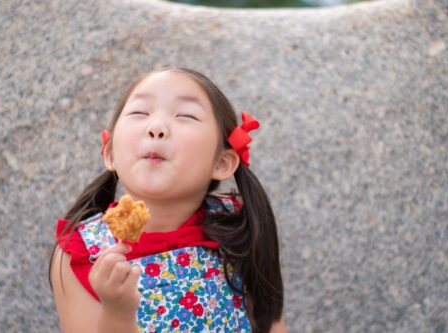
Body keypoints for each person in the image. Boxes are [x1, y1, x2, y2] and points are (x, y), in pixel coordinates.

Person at [49, 67, 286, 332]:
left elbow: (270, 324)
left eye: (185, 115)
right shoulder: (80, 253)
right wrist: (117, 313)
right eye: (140, 112)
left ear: (222, 162)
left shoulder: (239, 227)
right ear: (111, 152)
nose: (157, 128)